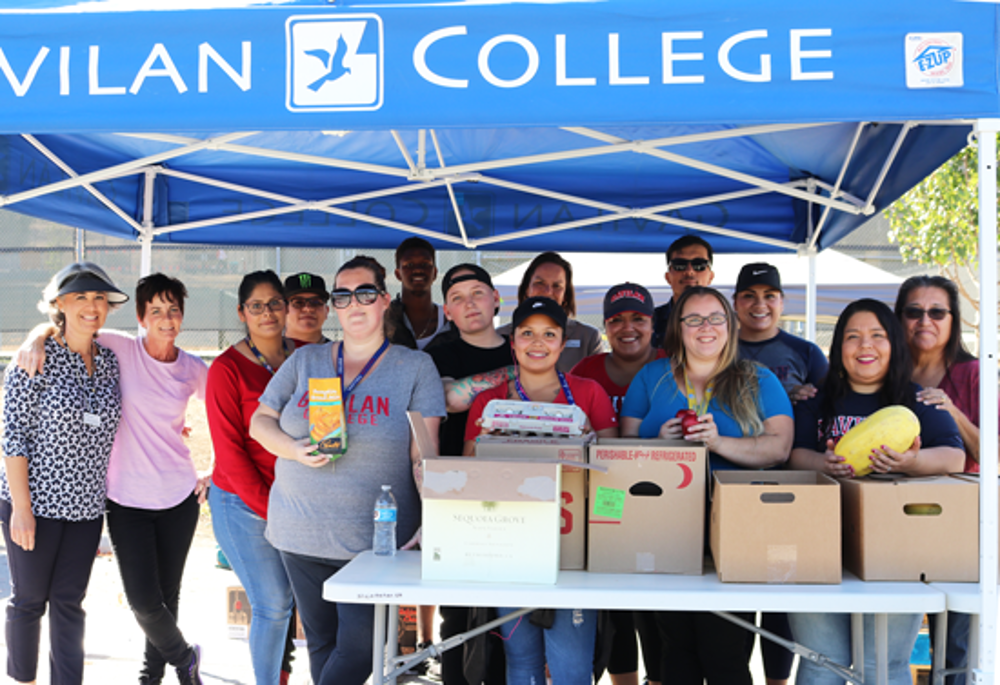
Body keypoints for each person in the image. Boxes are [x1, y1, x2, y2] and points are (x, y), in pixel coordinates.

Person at [249, 255, 445, 685]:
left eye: (365, 293)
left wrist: (433, 516)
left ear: (384, 300)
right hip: (298, 531)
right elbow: (259, 422)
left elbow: (422, 455)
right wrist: (294, 449)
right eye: (342, 295)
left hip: (375, 541)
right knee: (322, 644)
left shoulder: (414, 368)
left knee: (359, 652)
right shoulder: (305, 362)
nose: (354, 303)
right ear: (334, 306)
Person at [16, 273, 209, 685]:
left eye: (174, 310)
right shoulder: (118, 347)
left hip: (177, 495)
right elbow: (71, 323)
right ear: (140, 316)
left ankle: (149, 677)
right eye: (155, 310)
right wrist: (36, 336)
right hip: (124, 498)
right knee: (143, 601)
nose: (166, 318)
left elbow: (232, 415)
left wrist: (218, 470)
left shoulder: (193, 369)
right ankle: (184, 659)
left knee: (165, 596)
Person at [620, 285, 793, 685]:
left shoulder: (757, 379)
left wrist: (718, 443)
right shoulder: (651, 377)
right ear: (678, 328)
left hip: (737, 529)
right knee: (673, 655)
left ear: (730, 325)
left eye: (715, 318)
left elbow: (780, 448)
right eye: (693, 319)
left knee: (726, 656)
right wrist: (657, 445)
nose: (705, 328)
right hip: (663, 529)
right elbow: (619, 448)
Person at [788, 298, 965, 685]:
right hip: (818, 547)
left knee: (882, 666)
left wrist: (911, 463)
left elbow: (954, 457)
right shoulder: (814, 400)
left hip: (896, 551)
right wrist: (822, 464)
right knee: (821, 661)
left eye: (877, 336)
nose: (865, 346)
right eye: (853, 337)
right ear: (837, 348)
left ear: (894, 344)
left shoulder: (917, 400)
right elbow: (794, 455)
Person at [464, 296, 617, 685]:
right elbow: (467, 477)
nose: (537, 342)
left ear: (563, 342)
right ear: (512, 341)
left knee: (571, 668)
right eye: (527, 333)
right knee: (522, 660)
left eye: (549, 334)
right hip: (509, 543)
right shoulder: (488, 401)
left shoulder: (589, 393)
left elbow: (613, 473)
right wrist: (487, 442)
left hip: (575, 549)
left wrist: (589, 445)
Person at [0, 262, 128, 685]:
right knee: (30, 600)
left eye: (98, 298)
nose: (92, 306)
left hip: (87, 507)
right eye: (80, 297)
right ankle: (23, 679)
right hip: (34, 502)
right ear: (58, 303)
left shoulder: (110, 361)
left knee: (70, 601)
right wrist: (21, 509)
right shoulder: (32, 358)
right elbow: (12, 437)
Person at [732, 262, 828, 685]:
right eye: (750, 295)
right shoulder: (717, 345)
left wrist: (805, 402)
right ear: (735, 303)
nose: (760, 304)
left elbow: (827, 412)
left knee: (779, 595)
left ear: (782, 302)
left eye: (769, 295)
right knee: (730, 596)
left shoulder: (807, 353)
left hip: (788, 488)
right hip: (727, 483)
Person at [895, 276, 994, 685]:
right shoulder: (886, 373)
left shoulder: (973, 373)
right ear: (899, 318)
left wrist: (952, 412)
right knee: (891, 642)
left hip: (960, 525)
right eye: (914, 312)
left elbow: (995, 455)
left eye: (937, 312)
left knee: (957, 647)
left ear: (954, 320)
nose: (925, 321)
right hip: (895, 522)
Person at [570, 282, 664, 685]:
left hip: (662, 501)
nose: (628, 327)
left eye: (638, 318)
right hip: (603, 498)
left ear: (653, 323)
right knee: (615, 608)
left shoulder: (670, 364)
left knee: (659, 609)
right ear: (605, 326)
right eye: (617, 319)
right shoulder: (586, 372)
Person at [206, 270, 297, 685]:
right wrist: (271, 507)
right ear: (242, 312)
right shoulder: (226, 369)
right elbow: (229, 452)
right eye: (256, 306)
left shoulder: (303, 356)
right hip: (242, 502)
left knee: (297, 601)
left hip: (295, 498)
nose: (267, 313)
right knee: (273, 602)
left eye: (275, 303)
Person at [427, 263, 512, 685]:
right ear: (447, 310)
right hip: (457, 491)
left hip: (521, 493)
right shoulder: (439, 353)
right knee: (457, 614)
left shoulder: (524, 342)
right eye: (458, 298)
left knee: (510, 613)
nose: (469, 303)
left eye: (478, 292)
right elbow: (450, 398)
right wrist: (515, 374)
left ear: (496, 298)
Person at [497, 252, 603, 372]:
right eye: (539, 283)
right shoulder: (500, 336)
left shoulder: (588, 337)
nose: (547, 291)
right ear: (526, 288)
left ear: (566, 296)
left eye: (557, 286)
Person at [386, 236, 457, 350]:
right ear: (398, 274)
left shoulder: (452, 320)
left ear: (434, 273)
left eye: (425, 264)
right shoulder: (384, 321)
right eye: (409, 265)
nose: (418, 270)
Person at [651, 235, 715, 349]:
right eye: (680, 265)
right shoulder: (650, 321)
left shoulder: (726, 321)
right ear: (668, 277)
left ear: (711, 276)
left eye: (699, 265)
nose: (689, 271)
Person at [284, 272, 331, 345]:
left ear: (327, 311)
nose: (308, 308)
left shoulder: (339, 354)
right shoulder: (267, 354)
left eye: (316, 302)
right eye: (298, 302)